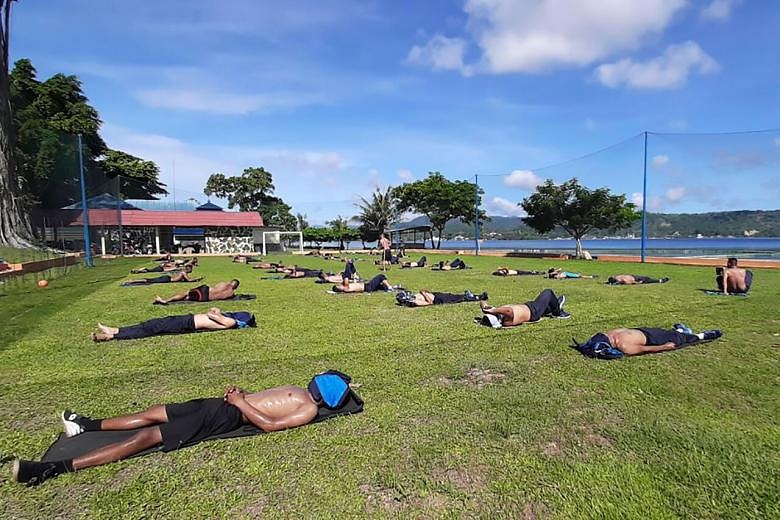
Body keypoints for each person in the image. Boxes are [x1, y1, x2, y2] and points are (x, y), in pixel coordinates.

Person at [11, 371, 355, 486]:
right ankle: (86, 425)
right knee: (153, 413)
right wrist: (242, 395)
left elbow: (270, 425)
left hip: (227, 417)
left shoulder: (309, 409)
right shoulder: (304, 392)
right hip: (223, 404)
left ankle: (54, 468)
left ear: (325, 395)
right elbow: (267, 400)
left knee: (146, 437)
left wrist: (239, 404)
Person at [90, 308, 256, 341]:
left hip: (187, 324)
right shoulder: (232, 320)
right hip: (187, 320)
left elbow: (212, 315)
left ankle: (112, 336)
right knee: (151, 324)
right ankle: (116, 330)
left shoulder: (232, 322)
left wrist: (217, 312)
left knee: (151, 329)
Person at [572, 324, 722, 358]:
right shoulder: (624, 346)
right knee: (681, 339)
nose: (610, 335)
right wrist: (664, 347)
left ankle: (681, 330)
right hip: (653, 339)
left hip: (644, 331)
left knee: (670, 333)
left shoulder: (611, 334)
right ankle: (704, 335)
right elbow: (646, 349)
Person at [479, 289, 569, 327]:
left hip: (531, 307)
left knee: (548, 304)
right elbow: (508, 310)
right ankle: (558, 312)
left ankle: (554, 306)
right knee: (548, 292)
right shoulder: (507, 320)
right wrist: (493, 310)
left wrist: (485, 309)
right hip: (533, 310)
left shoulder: (502, 315)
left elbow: (482, 302)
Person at [154, 279, 240, 305]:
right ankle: (170, 300)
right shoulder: (231, 294)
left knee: (186, 293)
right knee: (188, 297)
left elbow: (213, 288)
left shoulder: (223, 283)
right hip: (205, 299)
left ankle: (166, 300)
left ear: (231, 282)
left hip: (204, 291)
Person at [396, 289, 487, 307]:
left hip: (437, 295)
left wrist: (426, 292)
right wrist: (424, 293)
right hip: (438, 299)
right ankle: (479, 297)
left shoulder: (414, 298)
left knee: (455, 296)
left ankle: (473, 296)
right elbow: (430, 302)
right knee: (458, 298)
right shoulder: (415, 302)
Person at [122, 266, 201, 286]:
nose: (192, 270)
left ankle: (132, 280)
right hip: (166, 279)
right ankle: (131, 281)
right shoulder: (184, 273)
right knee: (149, 280)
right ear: (188, 269)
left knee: (149, 279)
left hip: (167, 277)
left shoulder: (183, 272)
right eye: (191, 269)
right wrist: (197, 279)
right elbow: (189, 280)